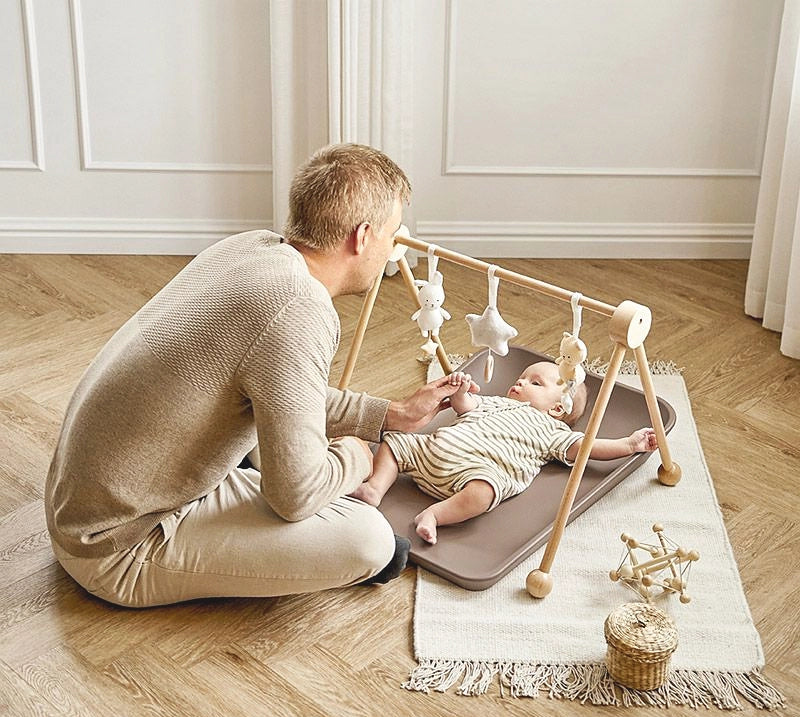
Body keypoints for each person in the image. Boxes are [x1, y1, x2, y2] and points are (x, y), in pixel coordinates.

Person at [44, 143, 475, 607]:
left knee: (276, 451)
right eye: (393, 234)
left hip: (94, 495)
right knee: (371, 540)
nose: (394, 250)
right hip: (116, 544)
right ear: (363, 236)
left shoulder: (252, 247)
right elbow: (296, 497)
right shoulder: (299, 309)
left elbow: (280, 388)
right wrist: (357, 457)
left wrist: (392, 414)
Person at [351, 362, 657, 544]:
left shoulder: (555, 433)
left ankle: (434, 515)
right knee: (395, 441)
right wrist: (460, 390)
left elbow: (587, 448)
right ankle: (376, 488)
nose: (521, 382)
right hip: (431, 450)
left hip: (473, 472)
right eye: (521, 378)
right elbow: (465, 407)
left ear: (557, 408)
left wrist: (628, 445)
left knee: (485, 493)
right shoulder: (499, 402)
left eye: (535, 383)